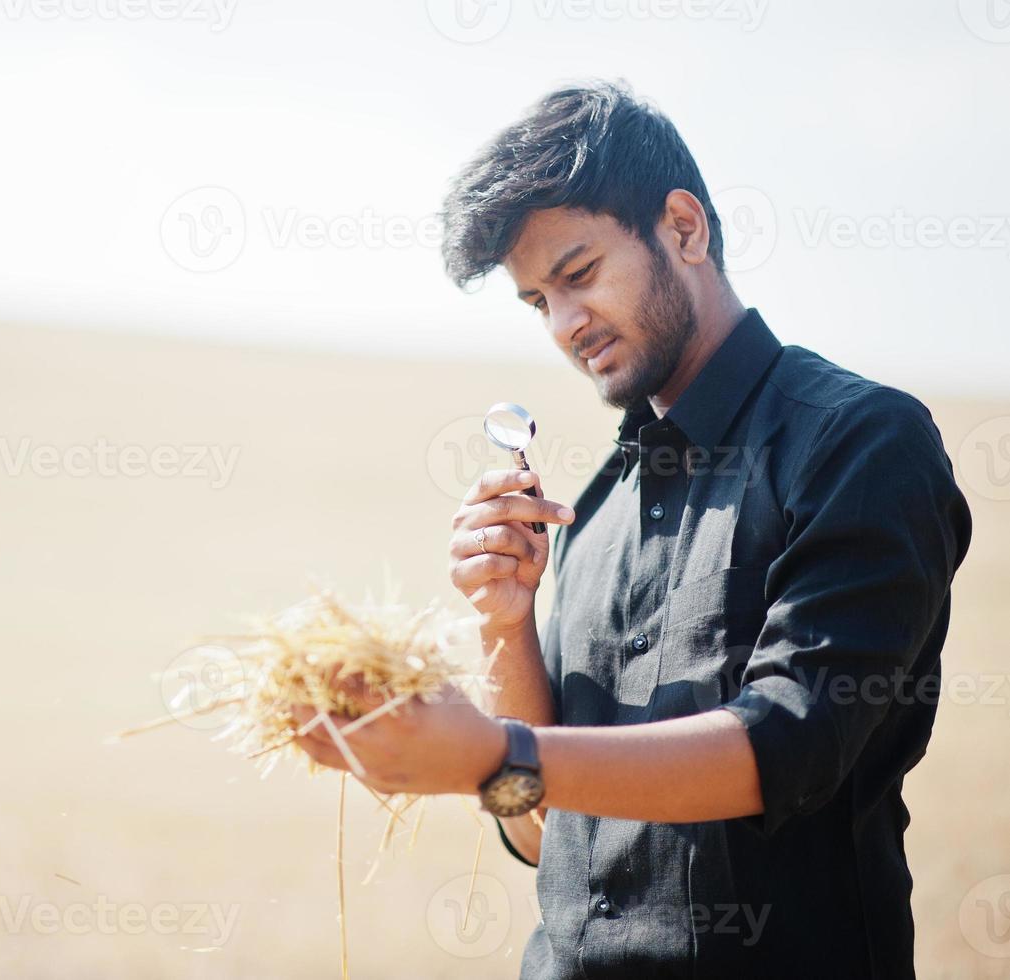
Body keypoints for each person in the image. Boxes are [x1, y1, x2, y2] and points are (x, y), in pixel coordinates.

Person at [290, 79, 973, 978]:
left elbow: (780, 749)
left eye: (576, 275)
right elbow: (541, 834)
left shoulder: (857, 441)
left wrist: (488, 750)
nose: (566, 325)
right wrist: (504, 623)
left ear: (683, 228)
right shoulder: (596, 506)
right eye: (538, 302)